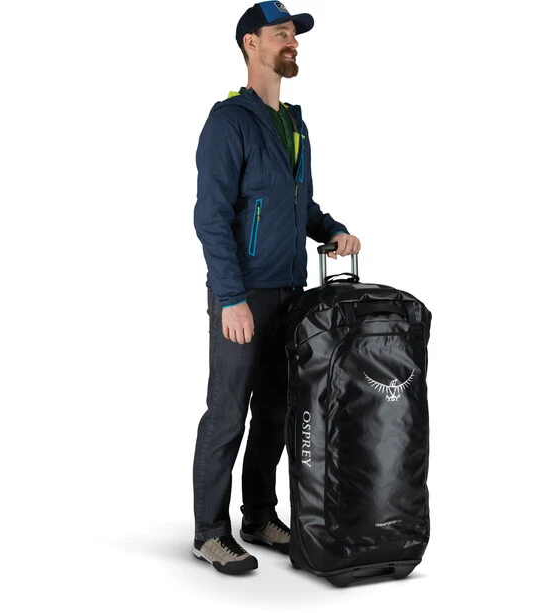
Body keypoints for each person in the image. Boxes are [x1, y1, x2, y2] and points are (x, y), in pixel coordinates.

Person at [192, 1, 361, 575]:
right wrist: (231, 297)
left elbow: (297, 202)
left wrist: (331, 229)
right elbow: (212, 217)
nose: (293, 42)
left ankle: (259, 516)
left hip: (291, 293)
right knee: (227, 414)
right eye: (282, 33)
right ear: (251, 43)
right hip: (244, 294)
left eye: (295, 34)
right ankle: (210, 533)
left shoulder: (293, 123)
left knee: (276, 410)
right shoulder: (229, 121)